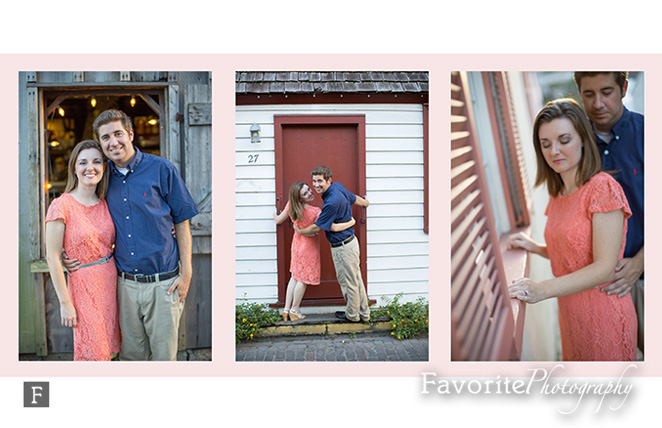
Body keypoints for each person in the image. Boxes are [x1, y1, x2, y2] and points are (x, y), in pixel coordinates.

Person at [64, 109, 199, 361]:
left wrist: (187, 271)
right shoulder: (102, 179)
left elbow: (182, 220)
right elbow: (83, 217)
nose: (113, 142)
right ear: (101, 144)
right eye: (106, 137)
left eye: (118, 134)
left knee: (163, 358)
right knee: (130, 358)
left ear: (131, 134)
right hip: (124, 286)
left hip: (164, 284)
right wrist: (65, 251)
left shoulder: (162, 169)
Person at [508, 99, 637, 361]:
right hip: (570, 314)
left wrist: (541, 289)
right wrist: (534, 247)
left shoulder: (603, 189)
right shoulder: (559, 193)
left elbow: (603, 266)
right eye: (545, 144)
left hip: (604, 316)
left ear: (583, 139)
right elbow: (572, 252)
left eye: (564, 140)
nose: (554, 150)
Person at [574, 71, 644, 354]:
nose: (598, 103)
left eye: (606, 92)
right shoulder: (573, 143)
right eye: (588, 94)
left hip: (644, 277)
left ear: (624, 88)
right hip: (595, 287)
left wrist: (641, 262)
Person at [45, 140, 120, 361]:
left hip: (111, 284)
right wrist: (65, 302)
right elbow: (52, 256)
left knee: (110, 350)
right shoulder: (62, 205)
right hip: (83, 287)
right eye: (83, 162)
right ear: (74, 168)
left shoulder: (106, 202)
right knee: (93, 352)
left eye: (97, 161)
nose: (91, 167)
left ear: (104, 167)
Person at [294, 166, 370, 323]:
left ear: (329, 180)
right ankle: (363, 313)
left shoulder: (331, 202)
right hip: (350, 243)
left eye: (320, 181)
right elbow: (353, 198)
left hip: (343, 248)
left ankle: (353, 316)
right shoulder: (338, 187)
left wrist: (300, 232)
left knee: (349, 283)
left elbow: (318, 227)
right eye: (314, 181)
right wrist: (366, 203)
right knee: (356, 280)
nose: (316, 185)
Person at [274, 182, 356, 321]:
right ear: (300, 198)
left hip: (297, 245)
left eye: (309, 190)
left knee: (294, 277)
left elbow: (278, 220)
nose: (310, 193)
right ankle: (295, 309)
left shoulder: (291, 205)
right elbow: (333, 228)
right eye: (305, 193)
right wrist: (351, 222)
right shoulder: (315, 212)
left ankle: (286, 310)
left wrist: (274, 214)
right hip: (309, 247)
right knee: (303, 280)